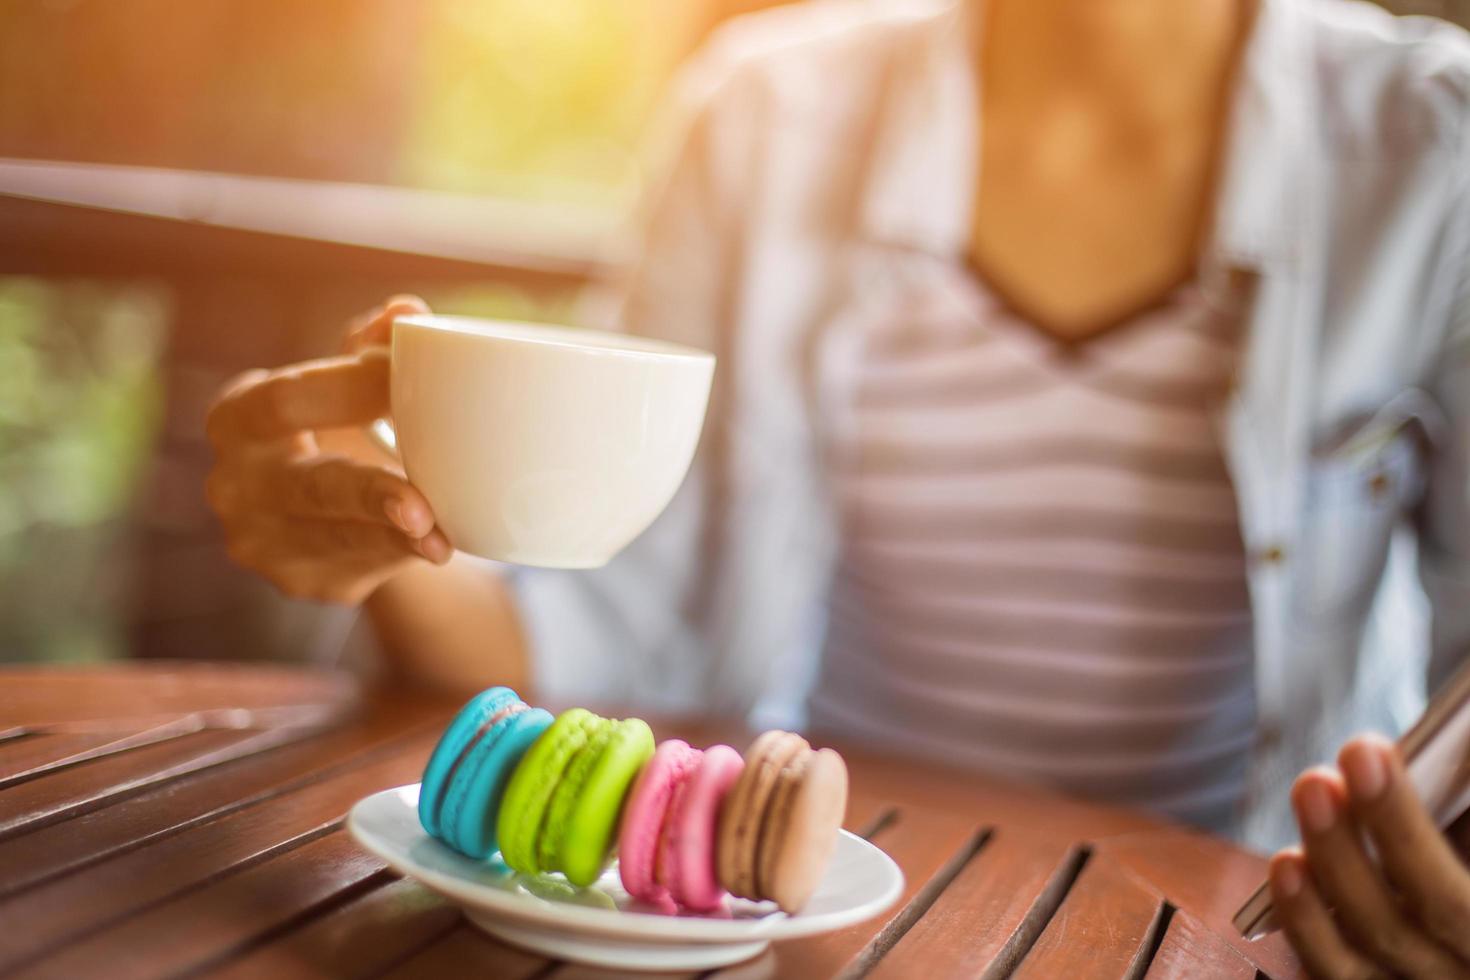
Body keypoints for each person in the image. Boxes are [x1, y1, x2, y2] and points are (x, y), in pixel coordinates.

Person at [205, 0, 1470, 973]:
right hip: (808, 926)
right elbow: (617, 635)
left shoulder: (1437, 150)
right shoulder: (762, 115)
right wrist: (377, 537)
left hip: (1235, 933)